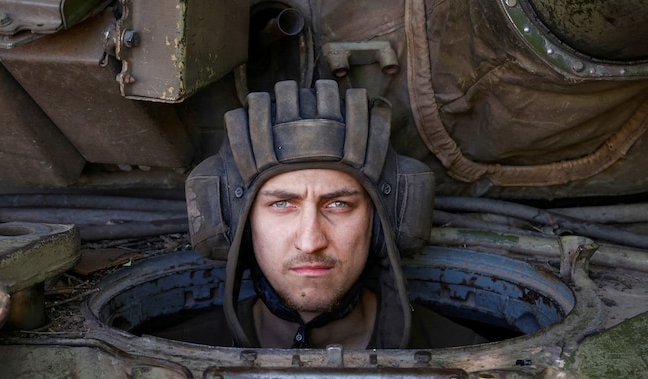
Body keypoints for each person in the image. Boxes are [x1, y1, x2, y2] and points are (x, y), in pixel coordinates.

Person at [162, 79, 486, 349]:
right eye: (282, 204)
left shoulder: (461, 352)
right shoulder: (176, 355)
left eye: (338, 205)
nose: (311, 241)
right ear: (240, 222)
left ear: (381, 221)